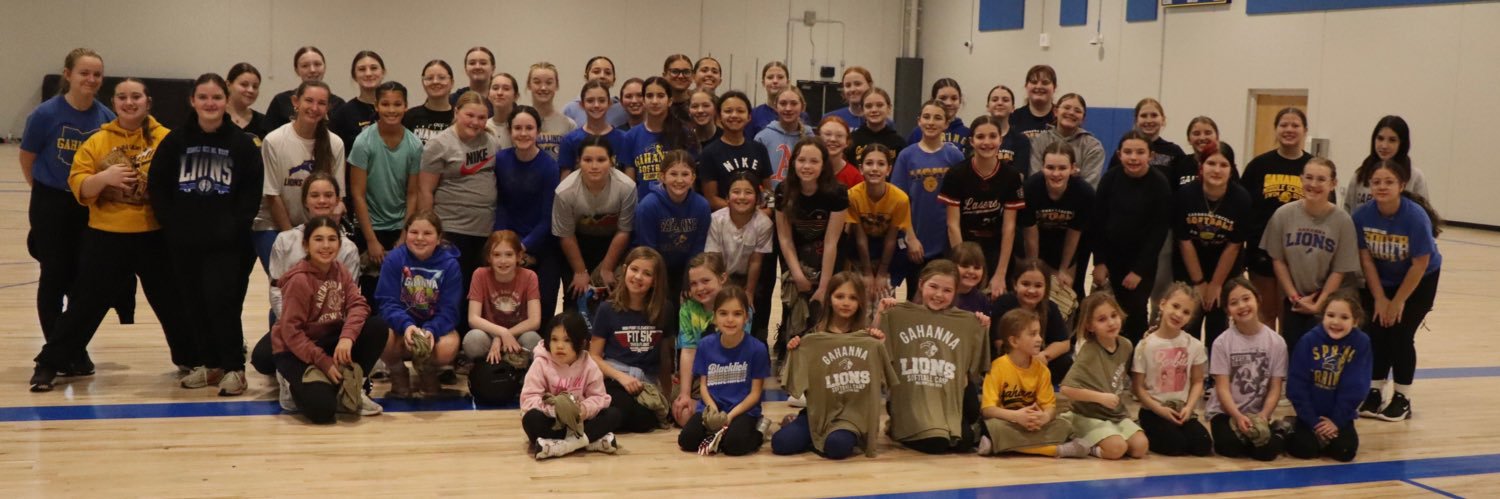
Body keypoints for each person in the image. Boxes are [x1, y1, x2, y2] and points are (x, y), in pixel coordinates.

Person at [29, 77, 190, 392]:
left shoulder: (167, 139)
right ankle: (50, 362)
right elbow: (79, 187)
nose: (130, 103)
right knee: (85, 304)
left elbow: (178, 187)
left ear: (148, 102)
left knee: (171, 301)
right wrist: (104, 177)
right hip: (107, 235)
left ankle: (191, 358)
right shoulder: (97, 140)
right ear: (114, 103)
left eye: (136, 97)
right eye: (122, 97)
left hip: (153, 235)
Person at [149, 73, 265, 396]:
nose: (210, 103)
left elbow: (250, 193)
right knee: (193, 302)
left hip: (226, 244)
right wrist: (171, 224)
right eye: (203, 97)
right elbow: (157, 186)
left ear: (226, 101)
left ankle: (233, 368)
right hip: (184, 242)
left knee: (222, 302)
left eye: (216, 97)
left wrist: (232, 227)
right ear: (193, 101)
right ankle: (210, 364)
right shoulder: (174, 141)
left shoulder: (242, 144)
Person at [21, 48, 118, 374]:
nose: (91, 80)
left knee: (84, 282)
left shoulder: (104, 117)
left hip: (87, 205)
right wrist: (44, 194)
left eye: (96, 74)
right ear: (68, 75)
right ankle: (56, 352)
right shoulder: (46, 115)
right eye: (84, 73)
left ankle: (72, 346)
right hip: (51, 202)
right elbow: (28, 158)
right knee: (53, 276)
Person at [269, 217, 389, 422]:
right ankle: (293, 384)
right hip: (295, 351)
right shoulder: (299, 280)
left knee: (377, 326)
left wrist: (347, 338)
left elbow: (359, 305)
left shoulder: (339, 270)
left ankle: (352, 386)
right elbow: (291, 333)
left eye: (332, 239)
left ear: (339, 244)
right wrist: (323, 362)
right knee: (323, 411)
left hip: (327, 341)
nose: (326, 245)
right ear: (306, 245)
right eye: (318, 239)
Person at [247, 173, 361, 382]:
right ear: (305, 201)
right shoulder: (285, 240)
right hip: (295, 324)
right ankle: (300, 371)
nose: (322, 200)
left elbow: (350, 301)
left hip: (330, 327)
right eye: (315, 195)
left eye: (328, 195)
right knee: (262, 359)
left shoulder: (348, 248)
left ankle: (351, 379)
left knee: (368, 331)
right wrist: (294, 327)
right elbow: (276, 292)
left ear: (337, 200)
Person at [1353, 159, 1443, 422]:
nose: (1382, 187)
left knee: (1401, 335)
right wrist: (1380, 298)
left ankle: (1402, 397)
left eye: (1389, 182)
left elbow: (1420, 263)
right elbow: (1366, 259)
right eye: (1376, 182)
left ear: (1402, 185)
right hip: (1382, 279)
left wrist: (1398, 301)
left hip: (1419, 280)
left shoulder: (1414, 217)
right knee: (1377, 332)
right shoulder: (1361, 215)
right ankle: (1374, 390)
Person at [773, 271, 897, 459]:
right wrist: (796, 349)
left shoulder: (866, 338)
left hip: (850, 416)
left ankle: (837, 436)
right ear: (829, 298)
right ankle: (808, 430)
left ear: (860, 303)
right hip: (819, 412)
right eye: (839, 296)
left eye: (853, 298)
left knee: (836, 448)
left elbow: (882, 373)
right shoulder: (814, 336)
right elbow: (796, 383)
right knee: (780, 443)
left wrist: (879, 328)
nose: (846, 302)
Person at [879, 260, 989, 454]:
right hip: (912, 397)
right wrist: (882, 314)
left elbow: (974, 368)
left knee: (965, 443)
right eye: (933, 287)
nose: (939, 295)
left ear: (955, 292)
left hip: (945, 396)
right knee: (936, 444)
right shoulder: (899, 314)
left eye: (947, 290)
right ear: (921, 284)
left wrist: (981, 328)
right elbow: (877, 346)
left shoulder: (965, 322)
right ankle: (897, 427)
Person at [419, 92, 503, 328]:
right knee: (453, 293)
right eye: (469, 115)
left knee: (477, 294)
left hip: (485, 229)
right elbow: (425, 191)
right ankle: (448, 343)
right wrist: (430, 232)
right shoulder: (439, 144)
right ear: (456, 112)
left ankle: (472, 345)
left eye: (481, 117)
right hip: (451, 227)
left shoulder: (491, 141)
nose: (475, 122)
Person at [1260, 157, 1359, 349]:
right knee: (1293, 353)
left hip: (1331, 303)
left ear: (1333, 184)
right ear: (1301, 179)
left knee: (1323, 356)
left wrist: (1319, 304)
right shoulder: (1283, 214)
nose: (1314, 184)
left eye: (1321, 179)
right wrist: (1295, 298)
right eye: (1309, 177)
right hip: (1295, 299)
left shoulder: (1343, 221)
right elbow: (1278, 260)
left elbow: (1339, 271)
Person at [255, 81, 346, 274]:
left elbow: (337, 198)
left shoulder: (335, 143)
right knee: (287, 284)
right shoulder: (274, 140)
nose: (314, 108)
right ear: (295, 102)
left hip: (317, 227)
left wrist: (322, 233)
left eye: (321, 103)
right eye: (309, 101)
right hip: (274, 225)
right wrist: (293, 239)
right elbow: (272, 195)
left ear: (328, 107)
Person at [1091, 130, 1172, 343]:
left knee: (1135, 314)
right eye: (1128, 152)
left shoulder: (1159, 184)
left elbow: (1158, 232)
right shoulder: (1110, 179)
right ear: (1119, 154)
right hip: (1111, 260)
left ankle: (1135, 367)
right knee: (1106, 314)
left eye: (1139, 152)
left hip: (1141, 263)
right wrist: (1099, 262)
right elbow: (1097, 223)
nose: (1133, 157)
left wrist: (1139, 271)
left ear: (1150, 156)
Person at [977, 309, 1089, 458]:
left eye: (1039, 333)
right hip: (1008, 422)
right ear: (1014, 341)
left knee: (1063, 425)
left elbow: (1049, 407)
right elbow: (988, 410)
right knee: (991, 426)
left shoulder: (1042, 370)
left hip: (1034, 425)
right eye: (1032, 334)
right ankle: (1056, 450)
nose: (1039, 339)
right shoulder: (997, 367)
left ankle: (999, 446)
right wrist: (1016, 416)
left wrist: (1044, 418)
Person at [375, 211, 463, 398]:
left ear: (439, 238)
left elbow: (450, 310)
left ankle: (427, 372)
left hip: (432, 330)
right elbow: (386, 302)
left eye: (428, 233)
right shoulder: (394, 259)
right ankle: (397, 372)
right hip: (402, 330)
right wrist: (407, 326)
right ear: (406, 234)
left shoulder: (450, 265)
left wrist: (431, 330)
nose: (420, 238)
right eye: (414, 232)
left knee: (449, 345)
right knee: (379, 333)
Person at [590, 247, 677, 433]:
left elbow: (665, 358)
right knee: (622, 408)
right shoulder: (607, 309)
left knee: (645, 422)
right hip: (615, 377)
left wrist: (667, 395)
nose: (638, 277)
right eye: (634, 269)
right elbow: (594, 356)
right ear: (624, 270)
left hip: (646, 382)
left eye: (647, 273)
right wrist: (622, 377)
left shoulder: (665, 309)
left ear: (655, 281)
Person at [677, 286, 771, 456]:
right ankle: (718, 433)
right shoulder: (706, 345)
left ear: (746, 318)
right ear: (714, 317)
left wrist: (729, 417)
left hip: (742, 410)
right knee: (687, 440)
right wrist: (713, 410)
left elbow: (755, 394)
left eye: (737, 314)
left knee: (734, 445)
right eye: (723, 313)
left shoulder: (757, 349)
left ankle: (759, 430)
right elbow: (704, 386)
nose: (730, 319)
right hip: (713, 407)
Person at [776, 138, 849, 353]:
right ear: (793, 163)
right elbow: (785, 238)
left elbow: (831, 241)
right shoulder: (783, 190)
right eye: (801, 160)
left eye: (814, 161)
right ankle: (789, 348)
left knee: (825, 306)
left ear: (823, 165)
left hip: (828, 255)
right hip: (795, 254)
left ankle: (826, 349)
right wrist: (797, 275)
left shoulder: (837, 193)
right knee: (793, 304)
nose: (807, 166)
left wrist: (824, 285)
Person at [1174, 145, 1252, 345]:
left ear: (1232, 169)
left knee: (1217, 325)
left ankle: (1215, 374)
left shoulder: (1241, 198)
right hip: (1191, 266)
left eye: (1223, 165)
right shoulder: (1185, 195)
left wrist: (1216, 284)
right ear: (1201, 166)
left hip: (1224, 269)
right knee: (1189, 321)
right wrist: (1199, 283)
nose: (1217, 170)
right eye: (1211, 163)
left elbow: (1234, 246)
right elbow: (1185, 242)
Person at [1241, 107, 1312, 327]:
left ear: (1305, 130)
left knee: (1290, 315)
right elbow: (1244, 208)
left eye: (1295, 125)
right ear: (1276, 129)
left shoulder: (1312, 166)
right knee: (1265, 313)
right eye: (1284, 125)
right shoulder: (1258, 166)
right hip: (1262, 253)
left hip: (1299, 254)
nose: (1289, 130)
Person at [494, 105, 563, 328]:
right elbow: (501, 204)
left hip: (542, 243)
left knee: (544, 302)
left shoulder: (549, 166)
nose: (523, 133)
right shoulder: (501, 160)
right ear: (509, 131)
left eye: (529, 128)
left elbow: (548, 215)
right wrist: (506, 242)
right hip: (507, 240)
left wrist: (524, 246)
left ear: (538, 131)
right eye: (518, 128)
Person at [940, 115, 1026, 295]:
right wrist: (960, 266)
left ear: (1000, 139)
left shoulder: (1011, 176)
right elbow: (952, 225)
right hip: (962, 243)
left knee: (994, 300)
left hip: (995, 248)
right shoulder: (956, 174)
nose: (987, 142)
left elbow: (1009, 227)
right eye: (980, 137)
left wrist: (1000, 274)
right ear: (971, 141)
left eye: (992, 136)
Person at [1060, 292, 1149, 460]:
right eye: (1102, 319)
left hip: (1115, 414)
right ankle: (1085, 447)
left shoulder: (1126, 345)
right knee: (1116, 449)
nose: (1110, 323)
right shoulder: (1089, 351)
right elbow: (1066, 389)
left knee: (1140, 447)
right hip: (1087, 415)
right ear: (1090, 326)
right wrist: (1100, 398)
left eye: (1113, 315)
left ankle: (1108, 436)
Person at [521, 312, 623, 459]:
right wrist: (556, 410)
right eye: (554, 339)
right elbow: (528, 399)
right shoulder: (541, 363)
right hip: (553, 422)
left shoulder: (589, 364)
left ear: (581, 342)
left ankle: (562, 446)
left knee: (614, 414)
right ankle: (589, 442)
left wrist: (583, 410)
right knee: (531, 419)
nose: (560, 346)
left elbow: (599, 397)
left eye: (567, 340)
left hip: (581, 422)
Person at [1207, 278, 1289, 461]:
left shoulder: (1276, 342)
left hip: (1257, 412)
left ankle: (1281, 429)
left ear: (1258, 300)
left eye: (1246, 299)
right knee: (1229, 448)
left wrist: (1263, 416)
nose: (1242, 306)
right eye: (1234, 303)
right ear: (1228, 310)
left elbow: (1275, 387)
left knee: (1266, 453)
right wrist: (1236, 416)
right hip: (1225, 411)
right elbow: (1222, 388)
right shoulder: (1222, 343)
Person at [1287, 292, 1372, 462]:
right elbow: (1296, 385)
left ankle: (1326, 435)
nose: (1335, 322)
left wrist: (1336, 421)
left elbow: (1356, 386)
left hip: (1339, 416)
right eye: (1330, 315)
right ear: (1322, 316)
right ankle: (1291, 426)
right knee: (1304, 450)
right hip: (1310, 414)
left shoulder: (1361, 343)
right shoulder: (1309, 341)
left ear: (1355, 321)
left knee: (1345, 452)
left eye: (1344, 317)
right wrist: (1313, 421)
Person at [554, 135, 636, 310]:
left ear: (612, 161)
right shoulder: (565, 191)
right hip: (578, 243)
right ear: (579, 161)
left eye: (601, 160)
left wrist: (607, 268)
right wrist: (580, 271)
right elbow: (566, 235)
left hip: (612, 244)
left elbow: (624, 231)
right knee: (576, 294)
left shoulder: (627, 187)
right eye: (587, 160)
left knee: (614, 295)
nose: (594, 166)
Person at [1131, 283, 1213, 457]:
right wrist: (1159, 409)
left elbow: (1198, 381)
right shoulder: (1145, 345)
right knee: (1175, 446)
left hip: (1181, 409)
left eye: (1186, 312)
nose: (1178, 314)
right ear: (1162, 304)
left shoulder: (1194, 345)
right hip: (1154, 410)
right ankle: (1143, 425)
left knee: (1203, 445)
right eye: (1175, 306)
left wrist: (1189, 407)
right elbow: (1138, 387)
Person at [894, 100, 965, 299]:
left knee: (944, 298)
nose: (931, 122)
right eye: (926, 117)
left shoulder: (954, 156)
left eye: (937, 117)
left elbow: (960, 201)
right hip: (917, 243)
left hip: (945, 243)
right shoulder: (906, 156)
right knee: (917, 299)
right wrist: (910, 237)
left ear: (946, 124)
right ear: (919, 121)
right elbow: (900, 202)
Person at [349, 81, 420, 273]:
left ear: (405, 106)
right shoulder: (363, 142)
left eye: (397, 104)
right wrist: (371, 240)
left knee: (402, 290)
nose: (391, 110)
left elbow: (413, 193)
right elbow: (357, 194)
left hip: (400, 228)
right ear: (376, 106)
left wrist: (405, 235)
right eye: (386, 104)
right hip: (369, 227)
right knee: (371, 293)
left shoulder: (414, 145)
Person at [705, 173, 773, 343]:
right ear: (727, 197)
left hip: (747, 278)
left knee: (751, 307)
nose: (742, 197)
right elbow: (714, 258)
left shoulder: (764, 224)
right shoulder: (716, 220)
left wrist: (748, 292)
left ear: (757, 198)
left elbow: (756, 260)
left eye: (748, 192)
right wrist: (724, 289)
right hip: (720, 275)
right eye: (736, 192)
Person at [1020, 142, 1093, 299]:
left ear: (1073, 168)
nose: (1056, 174)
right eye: (1050, 167)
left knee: (1066, 294)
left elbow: (1074, 233)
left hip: (1066, 247)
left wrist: (1064, 269)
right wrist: (1035, 268)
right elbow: (1030, 234)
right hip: (1038, 244)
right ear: (1042, 167)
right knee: (1036, 288)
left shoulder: (1084, 193)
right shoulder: (1030, 189)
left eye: (1062, 168)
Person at [633, 151, 711, 297]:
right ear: (662, 177)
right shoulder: (648, 206)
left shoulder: (702, 206)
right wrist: (659, 281)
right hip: (654, 267)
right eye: (673, 174)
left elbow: (698, 247)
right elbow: (648, 249)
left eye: (685, 174)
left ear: (693, 178)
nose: (679, 180)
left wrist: (688, 278)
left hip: (686, 268)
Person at [461, 230, 544, 364]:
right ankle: (486, 369)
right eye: (497, 255)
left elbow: (535, 321)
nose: (503, 261)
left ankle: (521, 374)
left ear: (519, 256)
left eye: (509, 254)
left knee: (533, 340)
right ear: (489, 257)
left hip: (518, 335)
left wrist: (504, 336)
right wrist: (501, 333)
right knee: (473, 340)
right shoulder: (480, 275)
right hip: (489, 335)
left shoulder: (529, 276)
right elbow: (473, 318)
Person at [846, 144, 915, 298]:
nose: (875, 168)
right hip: (862, 247)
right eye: (869, 163)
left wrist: (882, 273)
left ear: (889, 169)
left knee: (882, 296)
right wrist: (868, 272)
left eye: (881, 164)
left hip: (890, 247)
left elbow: (891, 238)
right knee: (863, 294)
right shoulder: (852, 196)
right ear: (861, 168)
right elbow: (860, 237)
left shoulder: (900, 198)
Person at [672, 253, 730, 426]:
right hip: (700, 376)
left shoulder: (737, 306)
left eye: (705, 281)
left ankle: (718, 414)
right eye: (694, 284)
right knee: (683, 414)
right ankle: (710, 415)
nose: (700, 288)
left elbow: (738, 353)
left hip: (729, 375)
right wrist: (685, 394)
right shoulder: (688, 310)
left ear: (722, 278)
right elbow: (688, 351)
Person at [990, 259, 1073, 379]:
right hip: (1011, 357)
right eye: (1025, 284)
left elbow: (1064, 343)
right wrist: (1026, 358)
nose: (1031, 290)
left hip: (1038, 358)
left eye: (1038, 285)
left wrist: (1044, 355)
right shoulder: (1004, 303)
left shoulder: (1050, 307)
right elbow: (999, 342)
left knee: (1065, 362)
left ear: (1046, 287)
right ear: (1015, 284)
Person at [699, 91, 773, 211]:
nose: (734, 115)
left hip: (757, 219)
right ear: (718, 117)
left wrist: (769, 210)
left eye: (740, 111)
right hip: (725, 221)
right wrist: (743, 211)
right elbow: (711, 198)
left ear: (749, 117)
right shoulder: (709, 153)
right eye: (728, 111)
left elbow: (769, 191)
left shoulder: (759, 149)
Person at [623, 77, 696, 198]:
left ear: (670, 101)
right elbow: (629, 183)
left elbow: (691, 177)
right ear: (643, 100)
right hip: (644, 207)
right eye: (650, 96)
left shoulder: (684, 133)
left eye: (661, 96)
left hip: (678, 206)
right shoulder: (631, 136)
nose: (655, 101)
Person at [1345, 116, 1430, 213]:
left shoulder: (1415, 177)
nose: (1384, 145)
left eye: (1392, 140)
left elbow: (1424, 216)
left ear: (1402, 143)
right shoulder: (1360, 174)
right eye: (1380, 138)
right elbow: (1348, 212)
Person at [1028, 93, 1103, 187]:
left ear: (1083, 119)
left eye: (1077, 111)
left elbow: (1090, 185)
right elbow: (1035, 178)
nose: (1071, 113)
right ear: (1055, 111)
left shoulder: (1093, 146)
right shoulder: (1040, 140)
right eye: (1067, 108)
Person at [557, 80, 629, 177]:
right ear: (582, 105)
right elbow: (565, 183)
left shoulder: (624, 139)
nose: (596, 105)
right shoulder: (570, 140)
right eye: (590, 101)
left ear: (609, 104)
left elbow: (629, 180)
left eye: (601, 100)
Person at [1107, 98, 1190, 181]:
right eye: (1143, 116)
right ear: (1136, 120)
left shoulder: (1174, 152)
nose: (1149, 120)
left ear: (1163, 119)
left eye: (1154, 115)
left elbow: (1182, 185)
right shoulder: (1125, 151)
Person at [265, 46, 346, 130]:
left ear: (324, 67)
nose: (312, 70)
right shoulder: (281, 101)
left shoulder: (338, 104)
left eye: (317, 64)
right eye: (305, 66)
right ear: (297, 70)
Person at [328, 51, 386, 158]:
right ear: (354, 75)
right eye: (362, 69)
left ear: (383, 72)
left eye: (373, 68)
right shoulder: (343, 113)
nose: (368, 73)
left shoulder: (394, 110)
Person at [754, 87, 814, 190]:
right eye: (783, 103)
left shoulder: (810, 138)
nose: (788, 108)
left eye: (794, 104)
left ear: (803, 107)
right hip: (771, 200)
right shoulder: (762, 138)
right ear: (775, 106)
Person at [525, 62, 578, 159]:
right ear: (529, 85)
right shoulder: (519, 122)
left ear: (556, 86)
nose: (543, 88)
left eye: (549, 83)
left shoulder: (569, 125)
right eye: (537, 82)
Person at [561, 56, 629, 128]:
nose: (602, 76)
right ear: (586, 76)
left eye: (608, 73)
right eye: (596, 72)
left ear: (614, 79)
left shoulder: (622, 109)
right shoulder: (571, 109)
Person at [906, 78, 970, 150]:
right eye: (943, 98)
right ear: (933, 100)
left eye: (954, 98)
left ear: (960, 100)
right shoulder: (918, 132)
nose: (948, 103)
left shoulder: (968, 134)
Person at [749, 61, 807, 139]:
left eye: (780, 77)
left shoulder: (801, 115)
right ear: (763, 83)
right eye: (770, 77)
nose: (775, 81)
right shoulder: (754, 115)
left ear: (788, 82)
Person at [847, 88, 905, 165]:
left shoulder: (899, 143)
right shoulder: (852, 140)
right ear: (862, 110)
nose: (874, 110)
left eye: (879, 105)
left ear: (889, 108)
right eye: (868, 106)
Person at [404, 60, 455, 145]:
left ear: (452, 83)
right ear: (423, 83)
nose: (435, 81)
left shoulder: (460, 117)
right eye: (429, 78)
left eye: (441, 77)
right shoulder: (409, 116)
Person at [980, 84, 1032, 166]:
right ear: (988, 107)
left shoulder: (1021, 140)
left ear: (1013, 108)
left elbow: (1020, 176)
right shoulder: (978, 136)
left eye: (1005, 100)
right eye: (995, 100)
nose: (1000, 103)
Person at [1179, 116, 1239, 186]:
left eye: (1208, 133)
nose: (1202, 138)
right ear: (1188, 139)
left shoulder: (1226, 165)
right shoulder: (1181, 164)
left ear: (1217, 137)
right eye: (1196, 134)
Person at [1009, 65, 1057, 138]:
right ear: (1026, 86)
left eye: (1045, 82)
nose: (1039, 86)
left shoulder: (1061, 117)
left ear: (1054, 87)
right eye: (1034, 82)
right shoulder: (1014, 118)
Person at [225, 63, 269, 139]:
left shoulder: (263, 122)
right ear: (228, 85)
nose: (251, 90)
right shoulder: (215, 117)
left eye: (255, 87)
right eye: (244, 84)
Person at [818, 117, 861, 188]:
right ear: (818, 138)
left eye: (839, 135)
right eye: (828, 134)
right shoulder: (810, 170)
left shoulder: (855, 177)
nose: (833, 139)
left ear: (847, 142)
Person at [484, 73, 519, 148]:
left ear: (516, 96)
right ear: (488, 94)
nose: (499, 93)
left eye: (506, 89)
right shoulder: (483, 127)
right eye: (495, 88)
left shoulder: (522, 127)